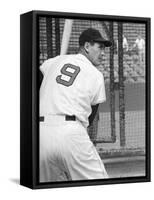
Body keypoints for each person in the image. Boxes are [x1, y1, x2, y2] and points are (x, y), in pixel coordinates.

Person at [39, 28, 112, 182]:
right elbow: (90, 118)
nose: (103, 53)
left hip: (40, 135)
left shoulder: (54, 61)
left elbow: (39, 78)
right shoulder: (95, 74)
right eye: (100, 47)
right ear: (86, 46)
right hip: (71, 134)